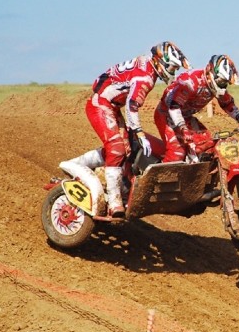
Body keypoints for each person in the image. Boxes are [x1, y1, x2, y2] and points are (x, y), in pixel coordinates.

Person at [59, 41, 190, 217]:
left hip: (111, 105)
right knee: (117, 148)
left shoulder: (146, 66)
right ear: (161, 62)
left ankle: (78, 165)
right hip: (101, 104)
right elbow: (132, 106)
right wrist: (139, 133)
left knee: (126, 149)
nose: (173, 72)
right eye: (172, 67)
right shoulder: (146, 77)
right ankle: (114, 202)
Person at [153, 54, 239, 163]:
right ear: (211, 74)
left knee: (207, 144)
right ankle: (156, 179)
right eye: (221, 81)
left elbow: (227, 104)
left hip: (186, 116)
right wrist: (184, 129)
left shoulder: (216, 87)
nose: (223, 86)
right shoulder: (190, 82)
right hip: (166, 114)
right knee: (177, 153)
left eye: (225, 83)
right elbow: (174, 107)